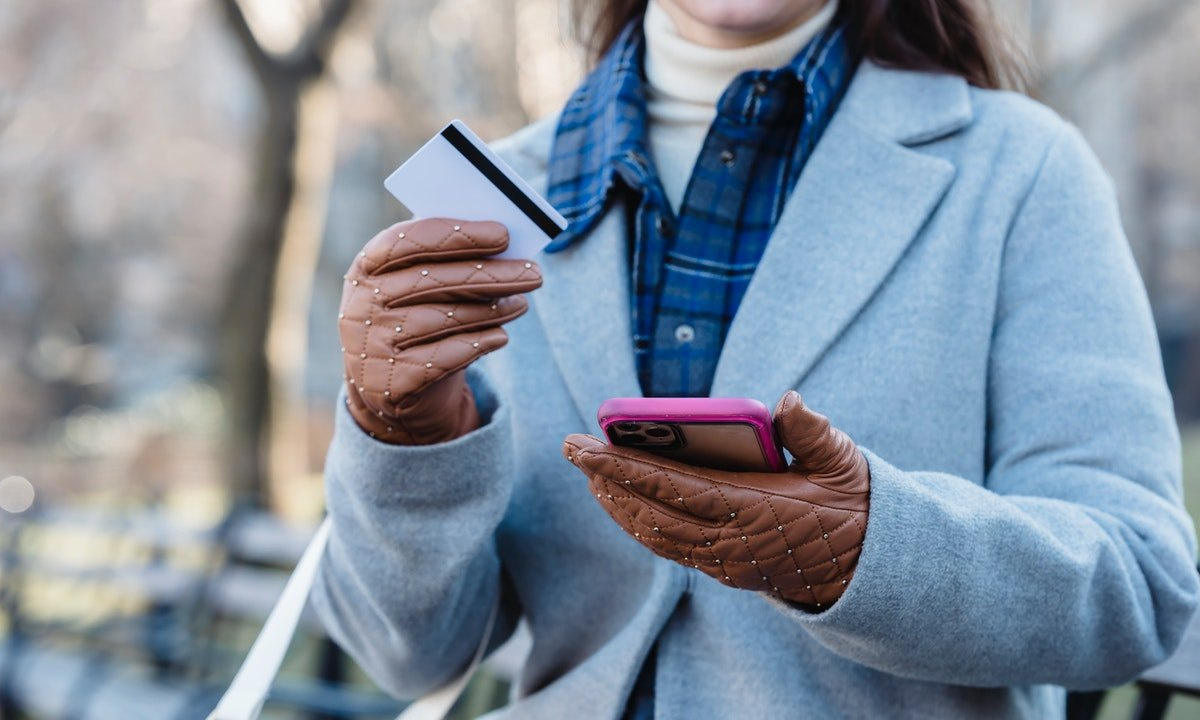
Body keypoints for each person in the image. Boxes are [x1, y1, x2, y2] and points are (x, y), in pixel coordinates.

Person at [313, 0, 1200, 717]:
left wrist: (868, 551)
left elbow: (1141, 587)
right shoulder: (497, 201)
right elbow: (403, 656)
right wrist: (405, 442)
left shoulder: (1023, 172)